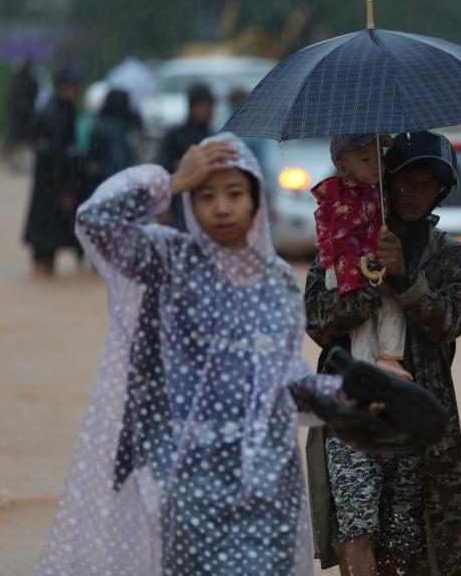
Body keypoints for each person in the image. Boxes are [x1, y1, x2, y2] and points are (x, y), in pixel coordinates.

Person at [36, 133, 348, 575]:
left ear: (256, 199)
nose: (221, 207)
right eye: (206, 196)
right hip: (189, 485)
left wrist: (344, 396)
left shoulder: (278, 280)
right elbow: (95, 223)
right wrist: (172, 182)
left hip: (269, 487)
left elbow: (284, 384)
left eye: (234, 194)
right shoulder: (169, 260)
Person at [305, 130, 461, 575]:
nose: (413, 193)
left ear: (440, 192)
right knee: (355, 526)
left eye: (426, 185)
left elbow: (449, 324)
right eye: (404, 181)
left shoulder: (450, 256)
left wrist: (404, 278)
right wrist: (362, 280)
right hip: (351, 406)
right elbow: (318, 324)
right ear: (385, 180)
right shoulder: (340, 236)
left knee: (408, 542)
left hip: (415, 412)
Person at [312, 133, 411, 383]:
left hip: (369, 269)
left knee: (393, 305)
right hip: (349, 272)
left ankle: (388, 358)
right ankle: (363, 368)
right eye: (365, 159)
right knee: (363, 324)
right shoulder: (345, 201)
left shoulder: (376, 194)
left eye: (379, 156)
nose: (376, 164)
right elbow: (342, 242)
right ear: (343, 167)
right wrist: (352, 283)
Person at [22, 64, 84, 276]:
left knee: (46, 242)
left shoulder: (57, 108)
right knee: (46, 246)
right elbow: (58, 155)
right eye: (72, 87)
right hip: (52, 189)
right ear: (64, 87)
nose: (75, 92)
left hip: (47, 187)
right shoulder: (57, 113)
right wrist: (65, 189)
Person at [157, 82, 215, 229]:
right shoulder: (176, 135)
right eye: (201, 106)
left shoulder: (213, 137)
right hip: (179, 202)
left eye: (208, 106)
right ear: (191, 107)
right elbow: (163, 171)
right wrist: (164, 206)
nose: (205, 111)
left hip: (206, 202)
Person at [82, 88, 141, 198]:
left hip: (99, 185)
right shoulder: (118, 128)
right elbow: (118, 162)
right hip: (114, 186)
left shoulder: (99, 124)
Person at [2, 60, 39, 162]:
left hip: (24, 113)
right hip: (19, 113)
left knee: (22, 134)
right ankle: (8, 155)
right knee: (15, 134)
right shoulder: (20, 80)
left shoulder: (26, 81)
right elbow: (13, 97)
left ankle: (11, 155)